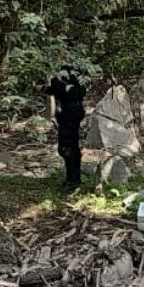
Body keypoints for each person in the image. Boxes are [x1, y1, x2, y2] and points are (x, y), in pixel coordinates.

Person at [45, 59, 87, 191]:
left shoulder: (68, 73)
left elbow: (61, 90)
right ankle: (74, 178)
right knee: (72, 146)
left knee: (66, 147)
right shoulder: (79, 71)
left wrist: (50, 89)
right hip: (73, 110)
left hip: (69, 112)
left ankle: (72, 181)